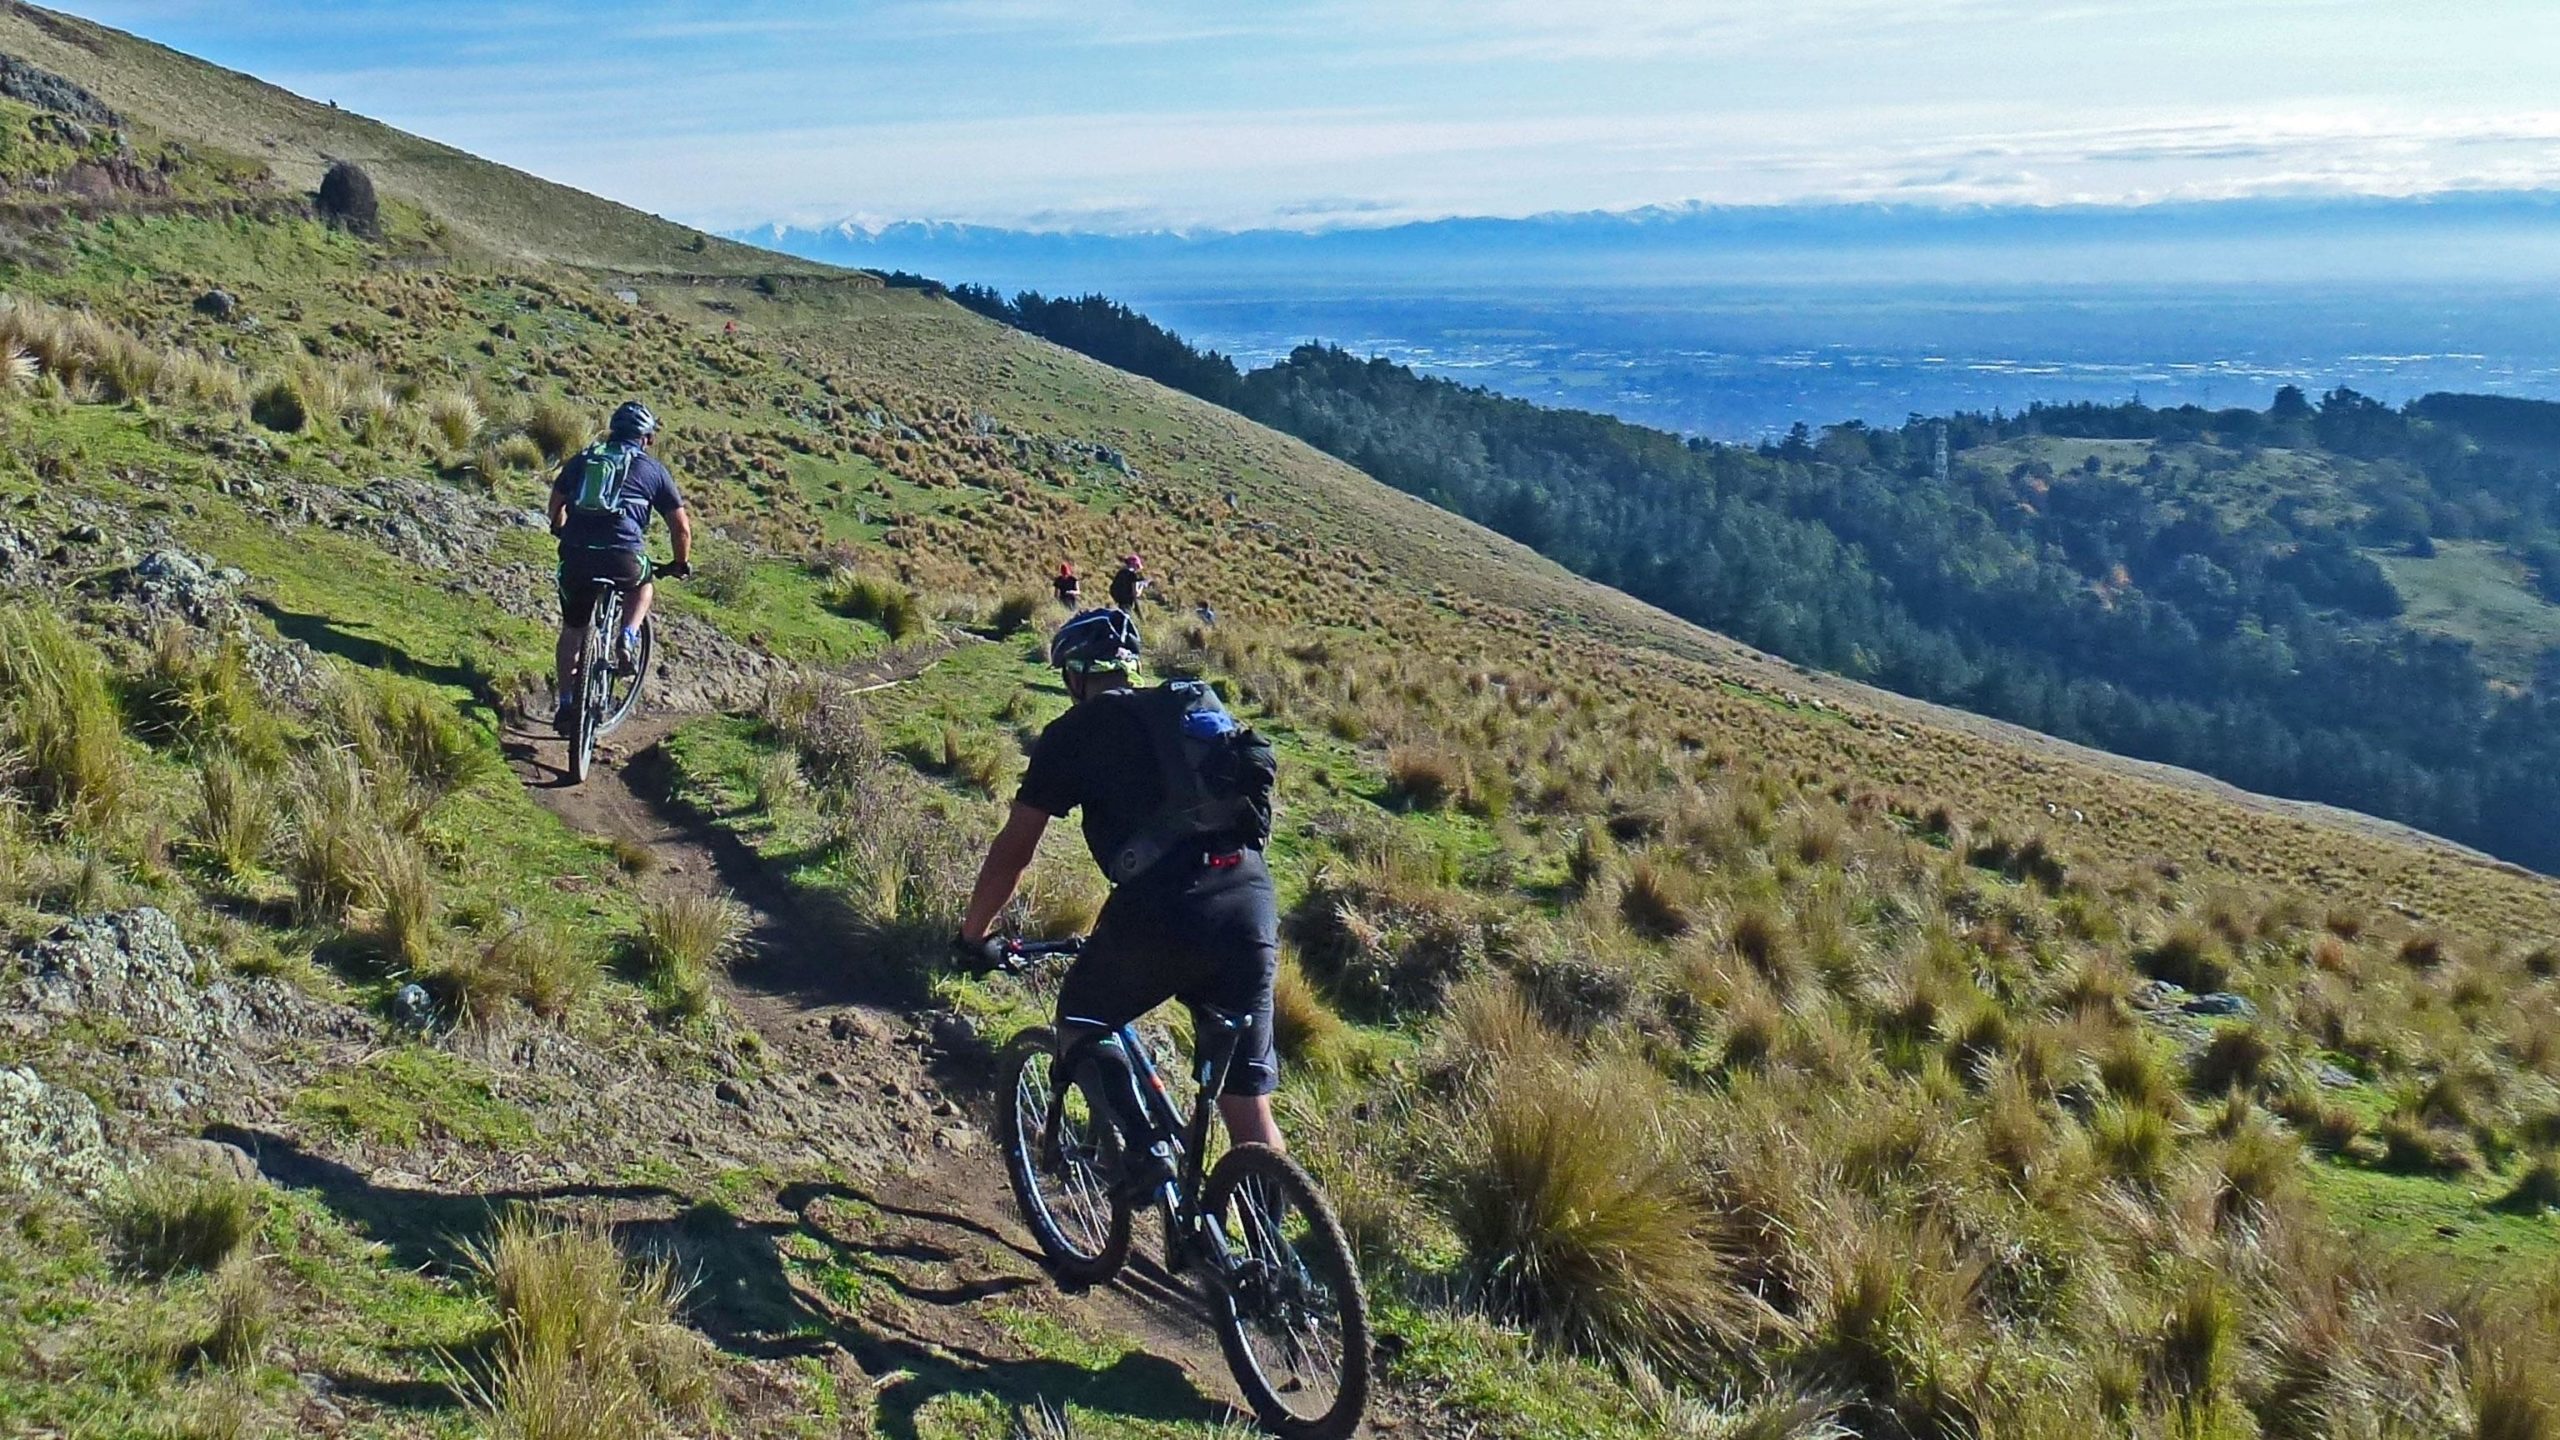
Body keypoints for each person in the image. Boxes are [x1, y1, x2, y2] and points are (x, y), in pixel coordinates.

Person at [956, 608, 1282, 1196]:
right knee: (1247, 1104)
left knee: (1081, 1022)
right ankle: (1274, 1278)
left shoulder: (1074, 733)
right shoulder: (1187, 709)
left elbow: (1015, 849)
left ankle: (1145, 1150)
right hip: (1248, 899)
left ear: (1075, 676)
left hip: (1165, 906)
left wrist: (974, 934)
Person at [549, 400, 690, 735]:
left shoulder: (584, 459)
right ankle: (627, 635)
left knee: (572, 630)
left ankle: (567, 704)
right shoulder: (653, 470)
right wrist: (679, 564)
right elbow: (681, 528)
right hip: (624, 555)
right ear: (647, 439)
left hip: (577, 555)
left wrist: (560, 527)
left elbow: (556, 502)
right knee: (643, 584)